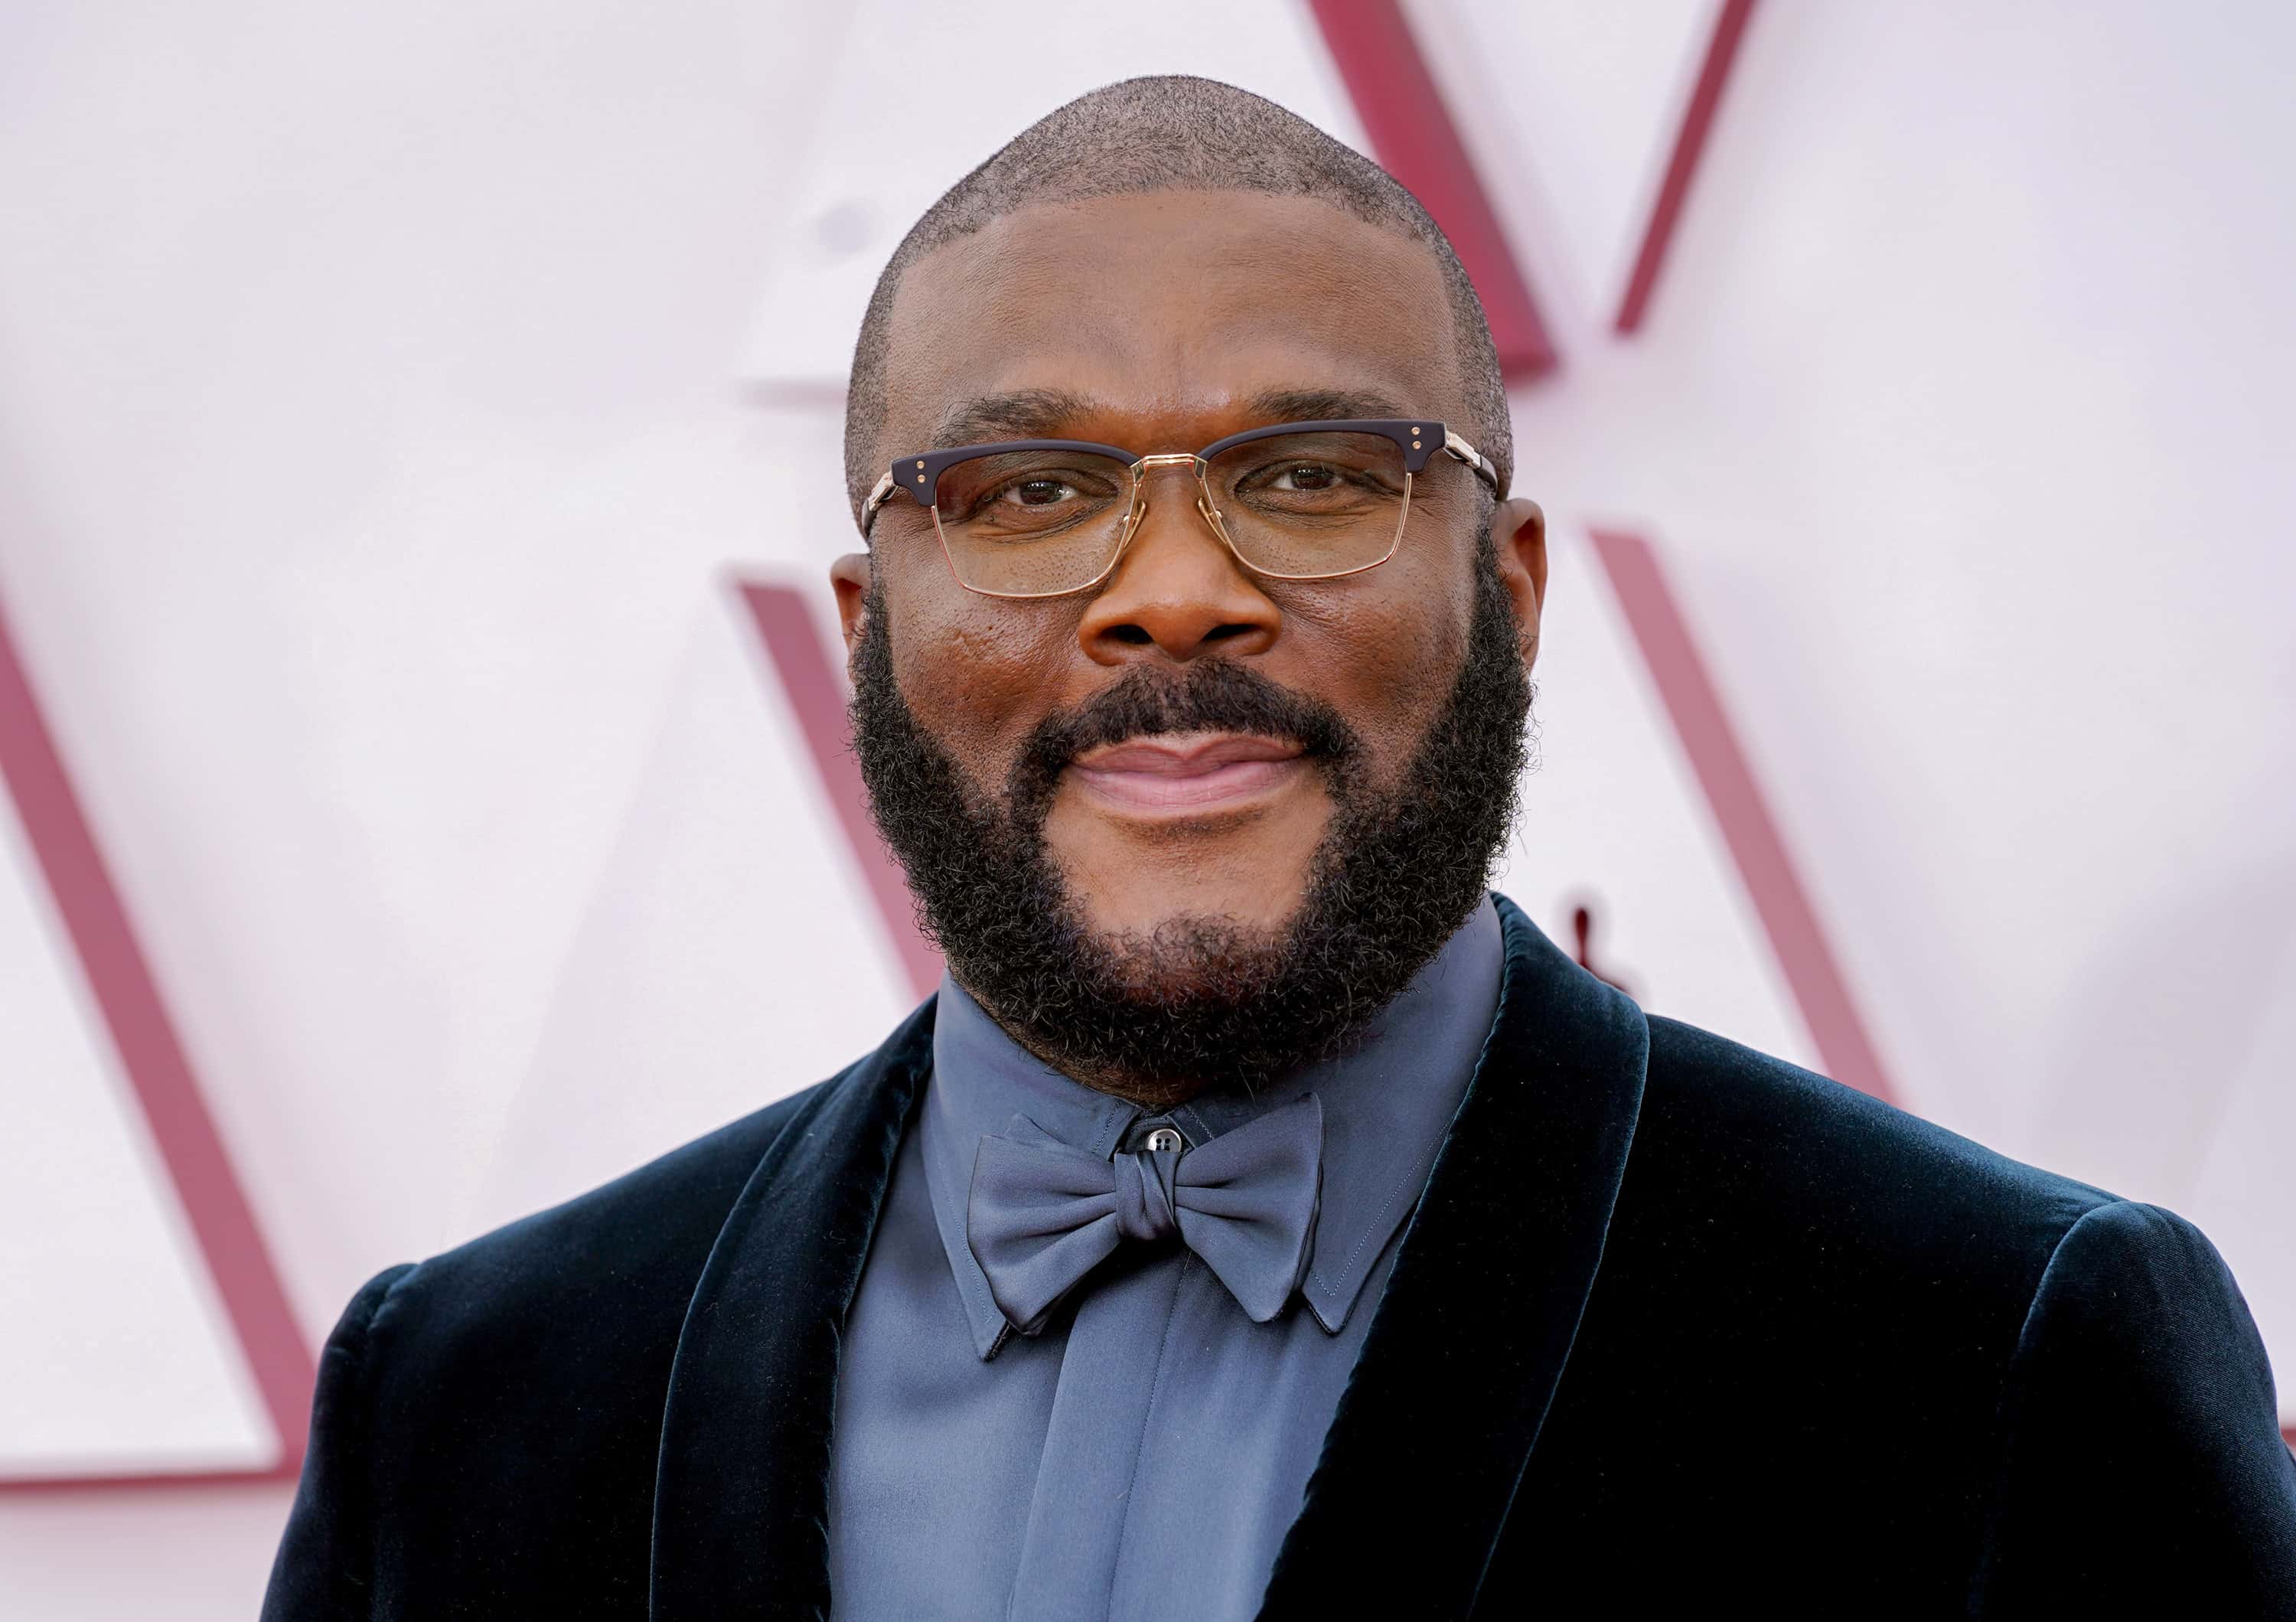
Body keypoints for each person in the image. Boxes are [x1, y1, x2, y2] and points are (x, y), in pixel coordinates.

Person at [263, 77, 2296, 1619]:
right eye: (1030, 491)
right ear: (870, 630)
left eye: (1314, 477)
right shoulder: (463, 1405)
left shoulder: (1999, 1351)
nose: (1172, 595)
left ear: (1508, 590)